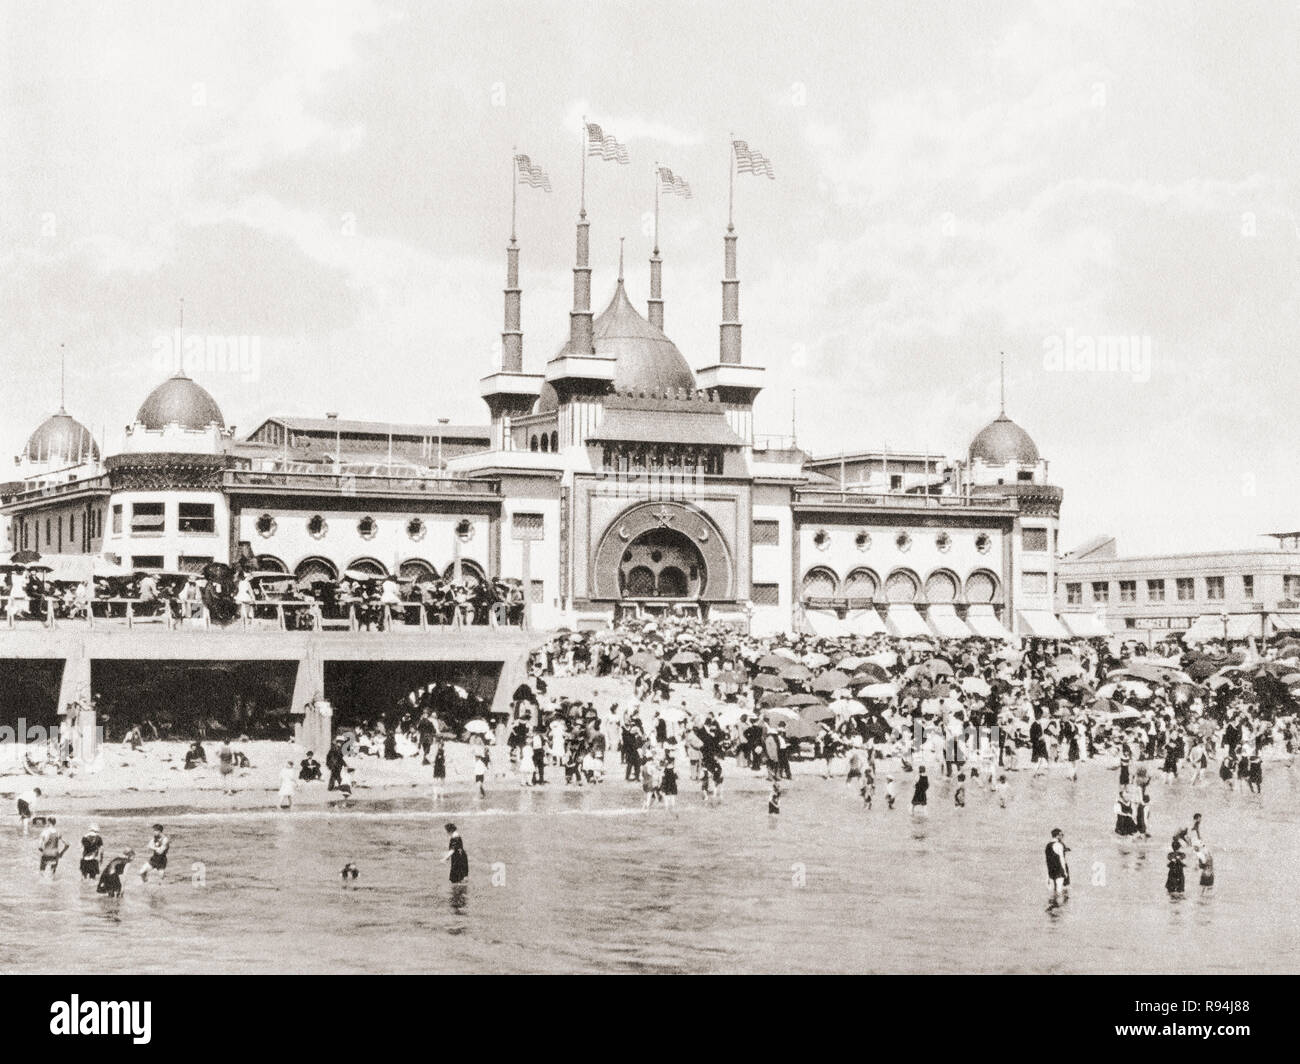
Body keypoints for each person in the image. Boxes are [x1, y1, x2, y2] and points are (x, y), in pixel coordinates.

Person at [1044, 828, 1070, 896]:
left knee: (1053, 891)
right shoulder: (1059, 845)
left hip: (1051, 870)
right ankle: (1060, 905)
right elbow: (1062, 860)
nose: (1062, 836)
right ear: (1058, 835)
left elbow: (1048, 859)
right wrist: (1065, 872)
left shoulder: (1048, 846)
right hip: (1059, 870)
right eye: (1062, 835)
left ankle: (1053, 905)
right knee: (1060, 891)